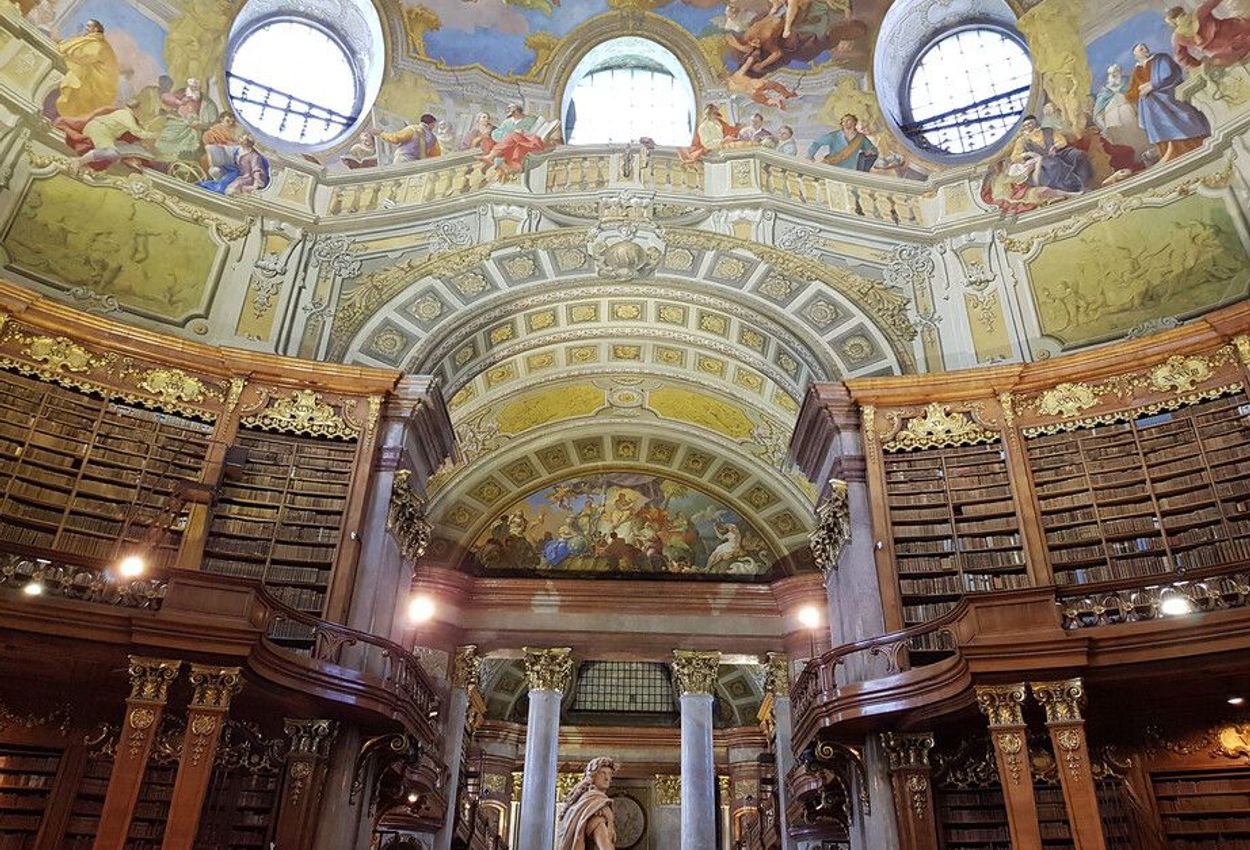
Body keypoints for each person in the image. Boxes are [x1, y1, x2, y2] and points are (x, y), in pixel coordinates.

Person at [1126, 42, 1212, 161]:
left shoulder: (1160, 58)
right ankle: (1172, 154)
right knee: (1156, 121)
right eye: (1141, 49)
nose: (1145, 50)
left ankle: (1194, 147)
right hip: (1151, 108)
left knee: (1182, 118)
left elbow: (1170, 74)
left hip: (1168, 97)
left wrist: (1152, 85)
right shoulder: (1137, 71)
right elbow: (1132, 91)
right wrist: (1138, 91)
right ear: (1136, 55)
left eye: (1145, 47)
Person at [1008, 114, 1094, 194]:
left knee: (1077, 154)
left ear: (1036, 123)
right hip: (1041, 163)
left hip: (1057, 154)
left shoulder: (1048, 131)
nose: (1028, 126)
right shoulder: (1022, 141)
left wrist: (1055, 147)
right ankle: (1072, 187)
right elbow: (1015, 157)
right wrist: (1027, 154)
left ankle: (1084, 182)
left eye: (1030, 123)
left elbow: (1062, 141)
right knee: (1053, 164)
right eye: (1025, 125)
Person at [55, 19, 119, 117]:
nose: (86, 28)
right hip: (92, 79)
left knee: (75, 79)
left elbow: (83, 57)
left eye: (89, 26)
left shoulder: (99, 45)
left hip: (96, 85)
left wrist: (65, 50)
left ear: (96, 29)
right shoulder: (94, 41)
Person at [69, 99, 156, 169]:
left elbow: (136, 130)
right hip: (100, 130)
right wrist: (156, 135)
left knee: (123, 148)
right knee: (112, 153)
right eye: (140, 110)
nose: (141, 113)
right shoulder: (126, 115)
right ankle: (79, 161)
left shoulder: (126, 114)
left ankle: (128, 160)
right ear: (136, 109)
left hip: (101, 130)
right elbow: (138, 132)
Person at [1166, 0, 1250, 69]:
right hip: (1235, 37)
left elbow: (1181, 58)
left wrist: (1197, 64)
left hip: (1226, 49)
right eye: (1181, 15)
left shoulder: (1177, 37)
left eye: (1183, 14)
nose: (1184, 17)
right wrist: (1198, 65)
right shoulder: (1199, 12)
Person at [557, 758, 617, 850]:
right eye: (602, 773)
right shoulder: (594, 804)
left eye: (609, 774)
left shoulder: (587, 801)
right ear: (593, 776)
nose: (607, 778)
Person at [155, 77, 217, 162]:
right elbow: (167, 99)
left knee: (191, 141)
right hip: (179, 120)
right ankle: (164, 157)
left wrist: (200, 125)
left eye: (195, 87)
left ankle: (181, 160)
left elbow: (211, 122)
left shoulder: (208, 104)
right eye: (191, 87)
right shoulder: (182, 93)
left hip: (194, 127)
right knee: (168, 134)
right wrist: (178, 103)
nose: (193, 89)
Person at [1093, 65, 1150, 153]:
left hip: (1133, 118)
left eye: (1116, 72)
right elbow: (1097, 113)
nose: (1114, 75)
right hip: (1114, 124)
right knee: (1124, 144)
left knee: (1138, 138)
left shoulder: (1128, 83)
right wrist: (1103, 127)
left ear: (1120, 72)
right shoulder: (1104, 93)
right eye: (1112, 74)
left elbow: (1139, 96)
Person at [199, 134, 269, 195]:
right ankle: (215, 186)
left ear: (249, 142)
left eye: (243, 139)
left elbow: (257, 169)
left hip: (245, 176)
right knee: (215, 171)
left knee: (232, 185)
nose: (240, 140)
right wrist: (216, 149)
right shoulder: (238, 148)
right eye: (241, 138)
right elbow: (226, 151)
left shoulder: (254, 156)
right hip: (232, 169)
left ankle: (219, 190)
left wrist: (258, 182)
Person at [488, 103, 548, 173]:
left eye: (514, 112)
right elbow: (495, 134)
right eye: (511, 113)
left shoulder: (531, 120)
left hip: (526, 143)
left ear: (518, 111)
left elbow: (534, 132)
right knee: (510, 140)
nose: (513, 115)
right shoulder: (507, 122)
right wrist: (508, 135)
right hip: (509, 145)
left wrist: (523, 132)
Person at [806, 113, 877, 170]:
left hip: (850, 170)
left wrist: (870, 151)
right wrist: (810, 155)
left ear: (854, 122)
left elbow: (872, 149)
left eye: (848, 120)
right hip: (832, 167)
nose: (845, 122)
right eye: (843, 121)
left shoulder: (860, 138)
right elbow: (817, 143)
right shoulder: (834, 136)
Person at [374, 113, 441, 164]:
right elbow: (435, 155)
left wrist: (381, 133)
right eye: (434, 125)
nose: (434, 127)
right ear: (431, 124)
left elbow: (396, 139)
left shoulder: (412, 129)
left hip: (403, 159)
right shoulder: (433, 138)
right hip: (417, 163)